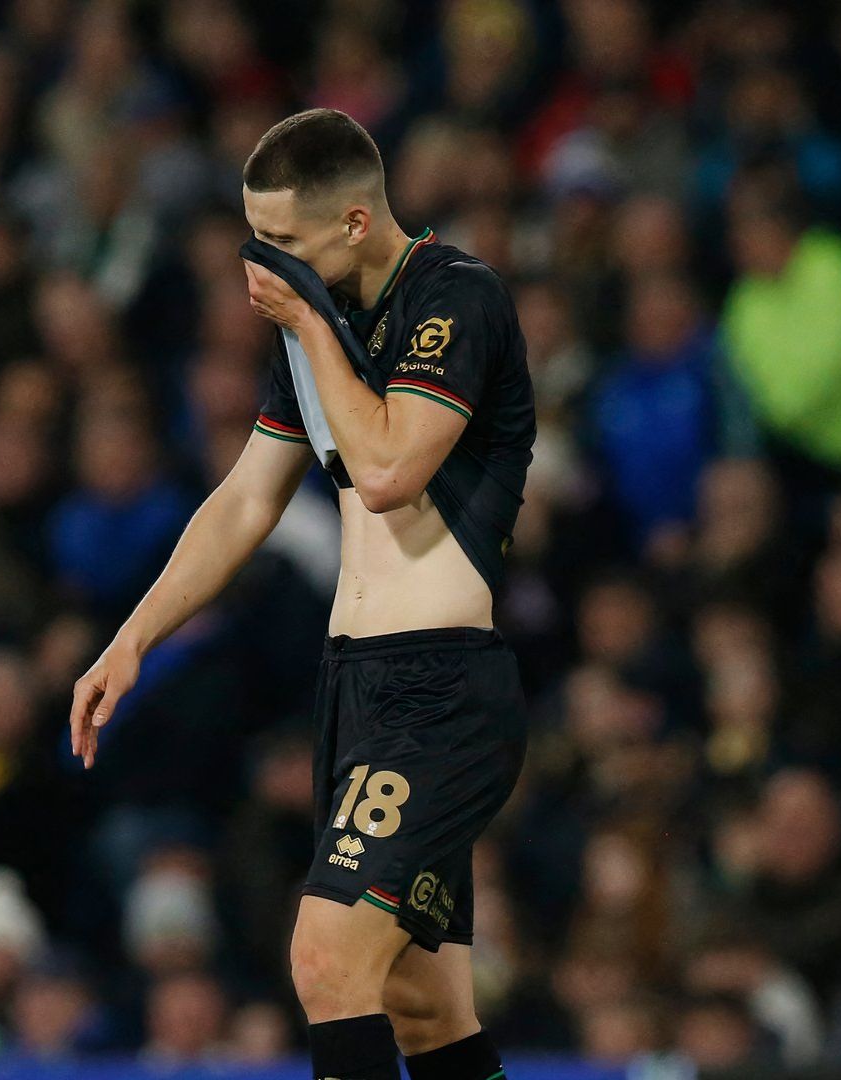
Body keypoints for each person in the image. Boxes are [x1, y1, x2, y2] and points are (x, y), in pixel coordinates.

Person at [68, 108, 534, 1080]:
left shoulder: (456, 300)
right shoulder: (315, 334)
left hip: (438, 693)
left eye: (282, 242)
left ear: (355, 225)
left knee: (324, 959)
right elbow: (245, 501)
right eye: (252, 235)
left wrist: (312, 324)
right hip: (356, 695)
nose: (259, 265)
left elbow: (391, 470)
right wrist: (133, 638)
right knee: (421, 1004)